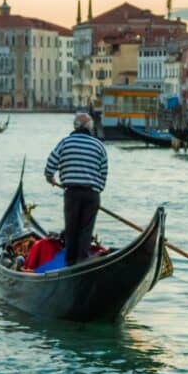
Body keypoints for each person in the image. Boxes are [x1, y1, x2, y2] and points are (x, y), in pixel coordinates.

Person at [45, 112, 108, 266]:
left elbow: (50, 164)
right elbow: (103, 172)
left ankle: (70, 262)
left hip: (72, 193)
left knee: (72, 229)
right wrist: (96, 189)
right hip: (91, 194)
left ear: (75, 126)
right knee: (86, 231)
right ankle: (82, 261)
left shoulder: (65, 143)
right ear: (90, 128)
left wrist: (50, 177)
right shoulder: (99, 145)